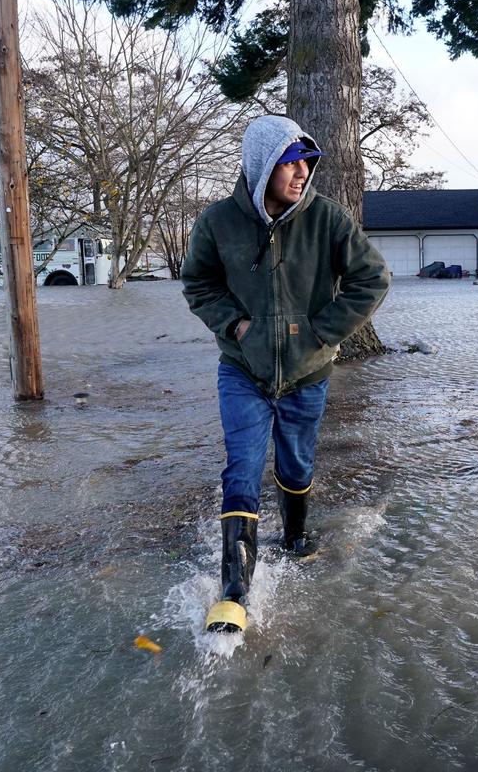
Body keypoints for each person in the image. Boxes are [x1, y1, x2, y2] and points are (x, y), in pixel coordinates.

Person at [181, 115, 390, 633]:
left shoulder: (328, 220)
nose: (302, 172)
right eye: (290, 162)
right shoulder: (217, 224)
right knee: (242, 466)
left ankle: (296, 538)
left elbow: (373, 278)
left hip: (308, 373)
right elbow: (198, 284)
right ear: (261, 165)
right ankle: (234, 592)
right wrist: (235, 326)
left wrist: (323, 331)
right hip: (242, 370)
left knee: (296, 467)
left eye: (307, 162)